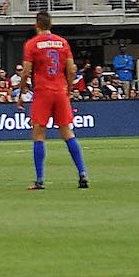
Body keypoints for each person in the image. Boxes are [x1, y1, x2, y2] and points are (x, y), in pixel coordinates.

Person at [20, 12, 89, 190]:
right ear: (51, 24)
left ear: (37, 25)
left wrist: (21, 93)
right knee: (67, 133)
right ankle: (82, 174)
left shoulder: (32, 44)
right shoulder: (62, 42)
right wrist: (69, 89)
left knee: (38, 135)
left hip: (43, 91)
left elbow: (26, 71)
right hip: (60, 90)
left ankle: (40, 179)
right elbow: (72, 69)